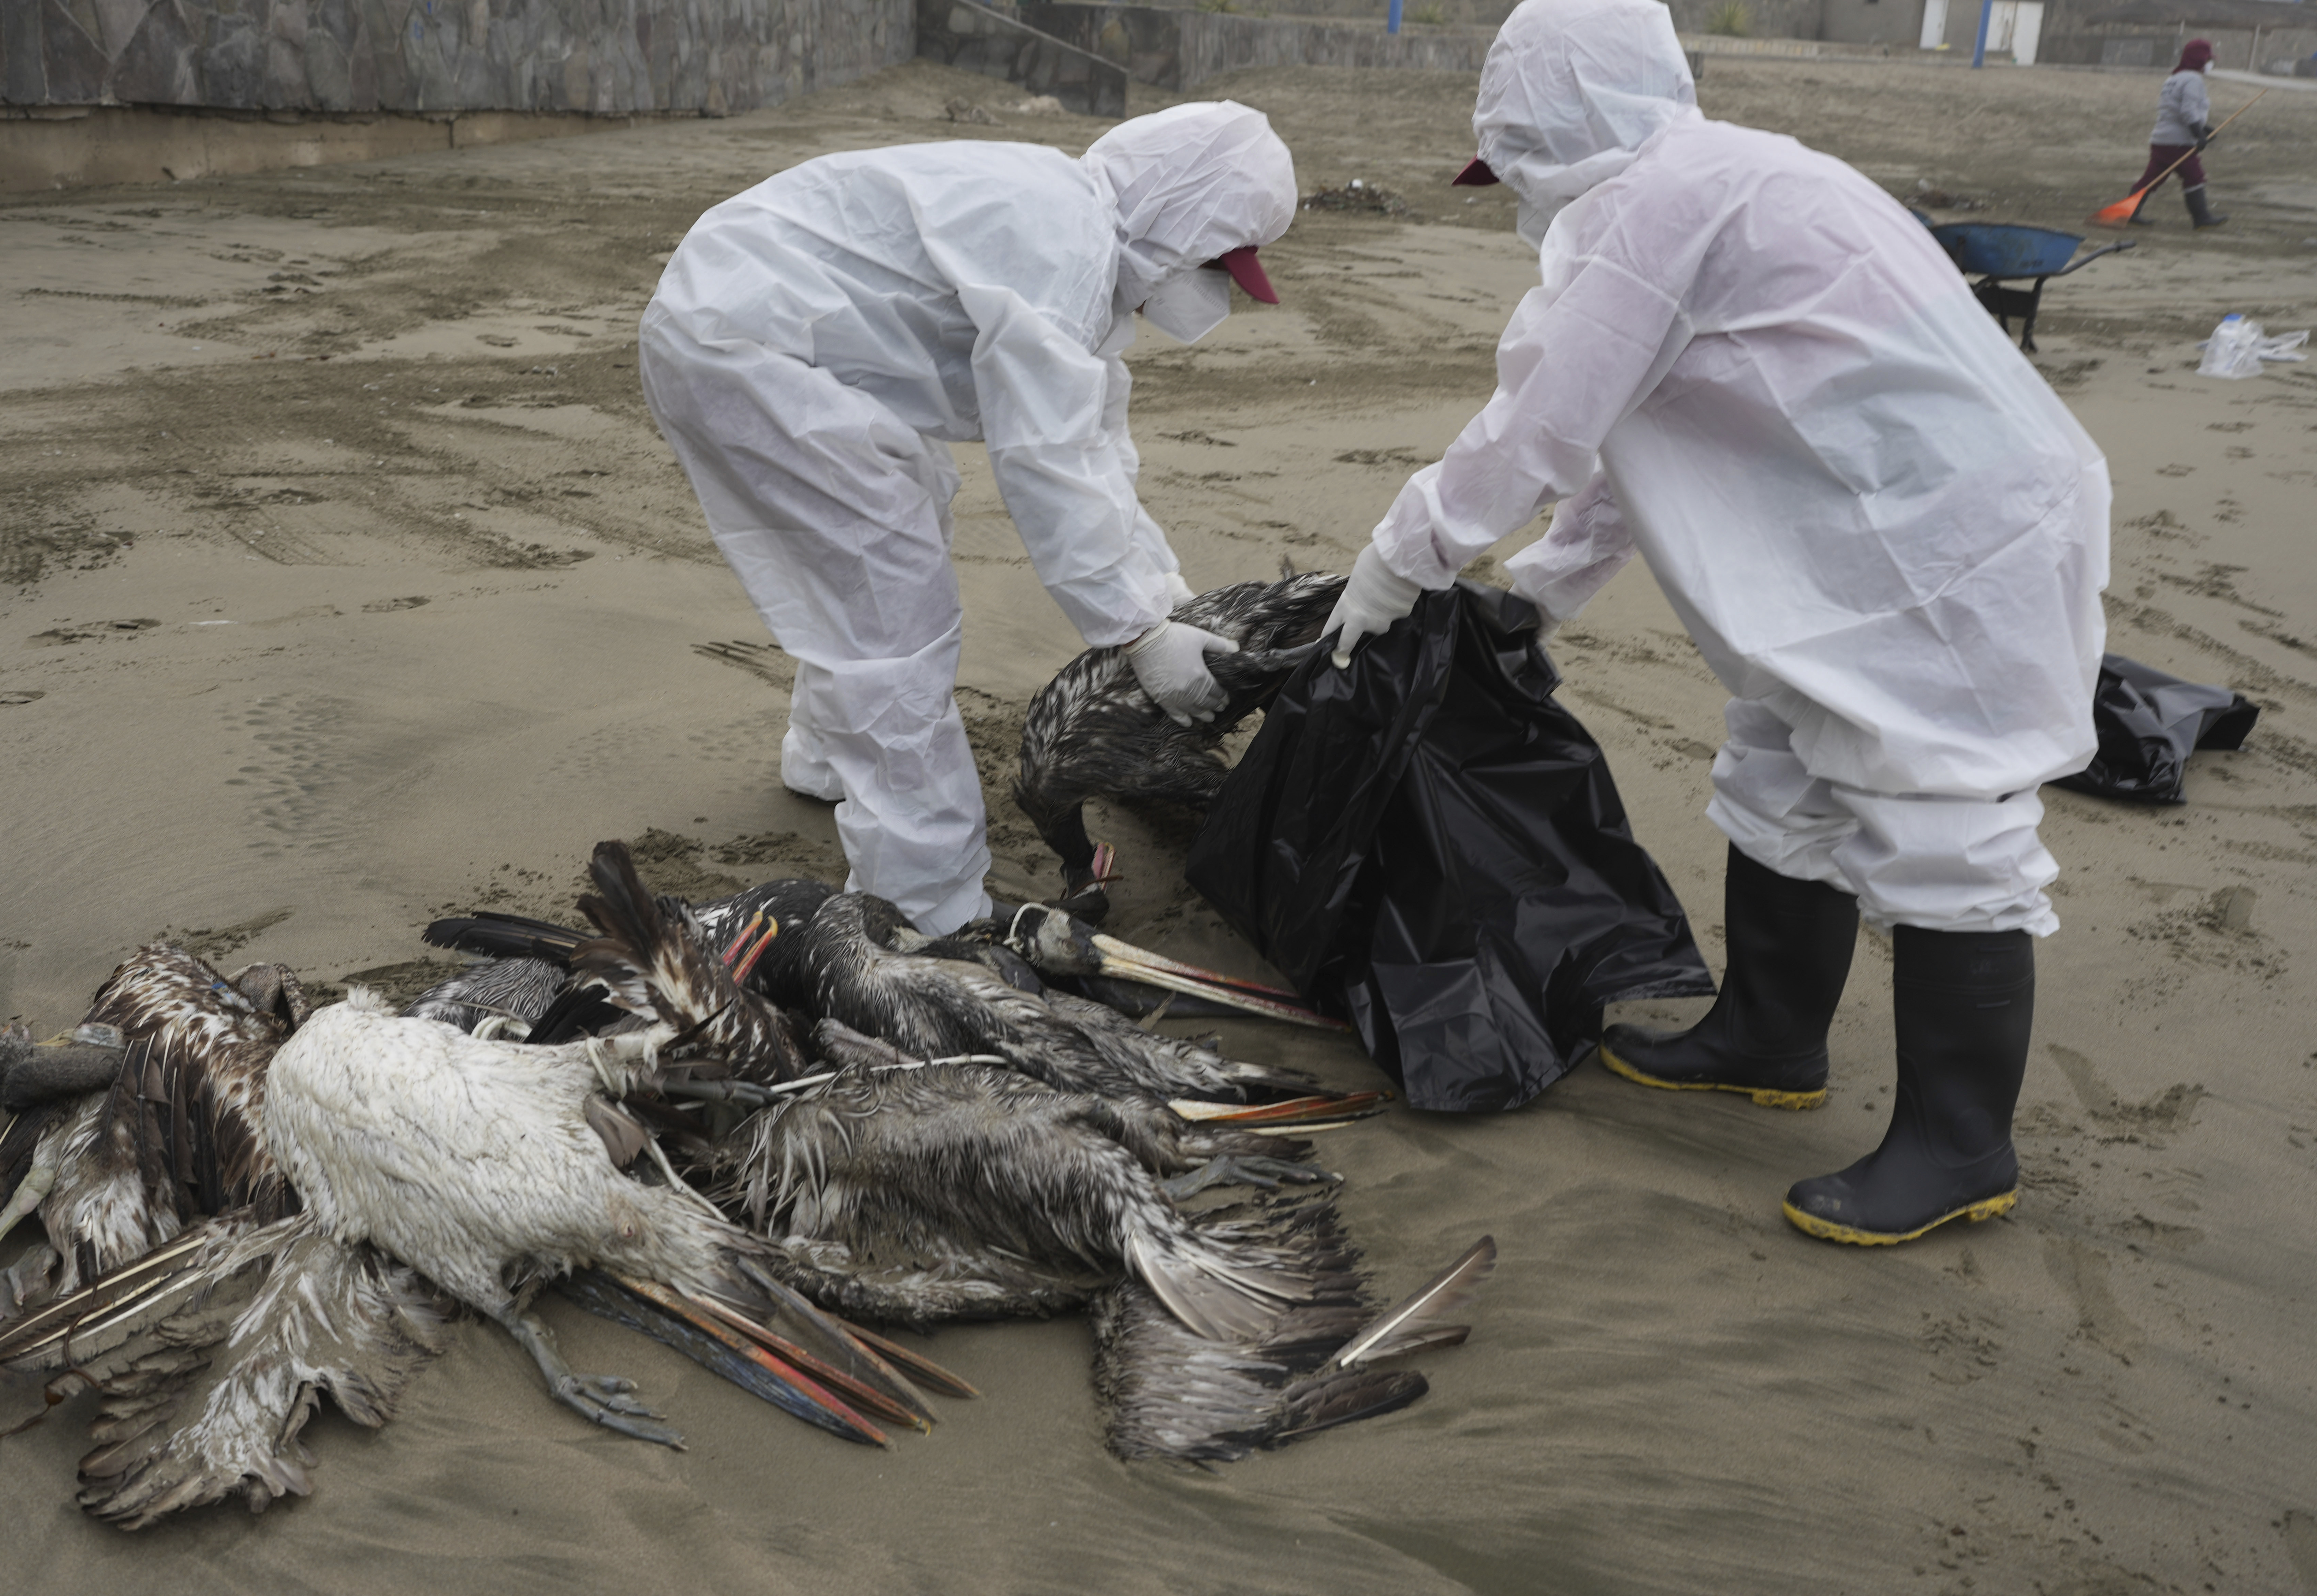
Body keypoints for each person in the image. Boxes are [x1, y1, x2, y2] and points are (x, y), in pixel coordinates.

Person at [1324, 0, 2110, 1246]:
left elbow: (1539, 431)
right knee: (1781, 760)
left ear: (1552, 125)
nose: (1516, 184)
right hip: (1865, 524)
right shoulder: (1707, 183)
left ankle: (1962, 1145)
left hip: (1948, 536)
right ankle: (1771, 1034)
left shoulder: (1659, 211)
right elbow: (1637, 437)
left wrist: (1391, 566)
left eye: (1516, 154)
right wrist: (1542, 590)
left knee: (1941, 811)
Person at [641, 104, 1297, 935]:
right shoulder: (1064, 245)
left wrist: (1168, 601)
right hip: (750, 343)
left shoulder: (1077, 236)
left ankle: (823, 756)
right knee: (892, 610)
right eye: (1215, 262)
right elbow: (1048, 465)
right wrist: (1138, 631)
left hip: (750, 320)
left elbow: (1096, 446)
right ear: (1180, 214)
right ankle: (922, 899)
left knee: (897, 522)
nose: (1213, 291)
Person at [2127, 38, 2226, 229]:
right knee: (2194, 177)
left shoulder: (2173, 79)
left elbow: (2174, 110)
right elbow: (2188, 112)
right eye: (2207, 60)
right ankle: (2202, 218)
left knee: (2152, 178)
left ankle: (2130, 212)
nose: (2209, 64)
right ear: (2200, 59)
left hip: (2161, 139)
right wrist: (2199, 135)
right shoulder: (2193, 80)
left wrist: (2204, 129)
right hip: (2178, 142)